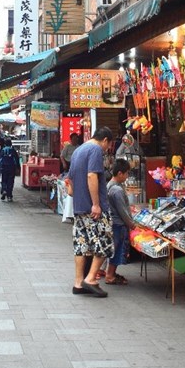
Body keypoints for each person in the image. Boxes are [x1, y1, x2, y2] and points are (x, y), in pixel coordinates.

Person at [67, 127, 115, 298]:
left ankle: (78, 283)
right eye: (108, 146)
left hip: (79, 207)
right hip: (93, 208)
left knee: (82, 245)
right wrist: (96, 204)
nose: (107, 149)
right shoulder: (95, 150)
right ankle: (91, 278)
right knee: (105, 243)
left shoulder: (78, 150)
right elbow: (91, 176)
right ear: (105, 140)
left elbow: (70, 182)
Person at [106, 159, 136, 285]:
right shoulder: (117, 190)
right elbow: (122, 211)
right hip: (117, 224)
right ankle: (110, 275)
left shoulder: (110, 186)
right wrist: (131, 224)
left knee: (115, 249)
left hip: (113, 222)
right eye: (126, 173)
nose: (127, 176)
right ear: (120, 173)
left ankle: (110, 273)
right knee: (117, 250)